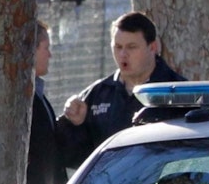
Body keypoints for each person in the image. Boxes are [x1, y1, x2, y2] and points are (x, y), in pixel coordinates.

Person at [56, 11, 185, 170]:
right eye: (118, 47)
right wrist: (76, 125)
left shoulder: (178, 92)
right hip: (111, 182)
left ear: (153, 47)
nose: (123, 54)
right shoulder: (99, 93)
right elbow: (76, 159)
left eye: (132, 47)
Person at [26, 20, 67, 184]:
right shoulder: (25, 101)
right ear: (31, 51)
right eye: (46, 48)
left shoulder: (39, 97)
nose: (49, 55)